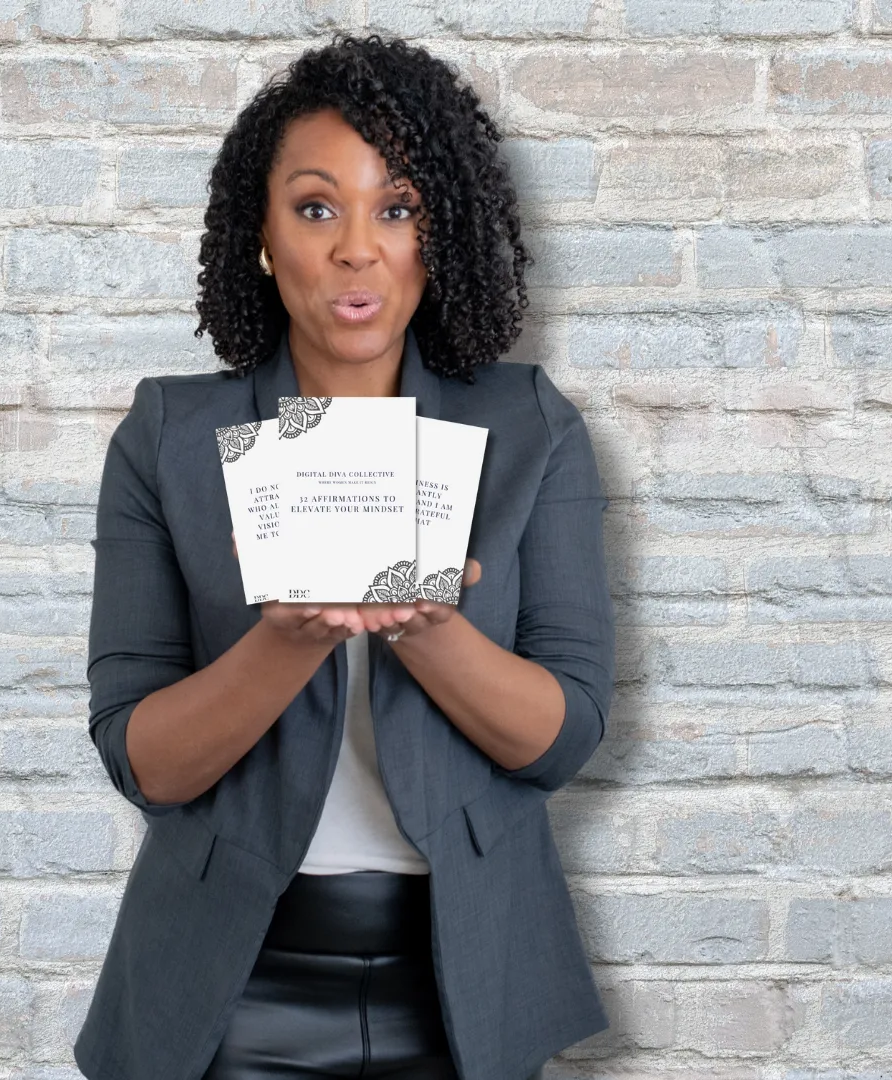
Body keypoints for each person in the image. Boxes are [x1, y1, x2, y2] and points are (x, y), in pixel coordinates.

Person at [73, 33, 616, 1080]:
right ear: (265, 239)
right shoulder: (170, 439)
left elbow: (565, 738)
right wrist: (288, 640)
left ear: (438, 236)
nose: (357, 246)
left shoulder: (531, 429)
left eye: (397, 208)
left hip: (467, 976)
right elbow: (141, 760)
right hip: (229, 981)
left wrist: (426, 626)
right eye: (317, 207)